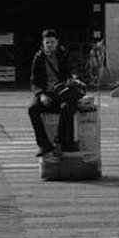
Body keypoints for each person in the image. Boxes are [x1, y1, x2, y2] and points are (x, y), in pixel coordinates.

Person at [28, 28, 82, 157]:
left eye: (52, 42)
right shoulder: (39, 57)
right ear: (43, 43)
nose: (49, 45)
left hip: (62, 91)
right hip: (46, 93)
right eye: (47, 42)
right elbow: (33, 81)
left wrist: (73, 78)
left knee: (68, 107)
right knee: (32, 109)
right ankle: (44, 144)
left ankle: (61, 142)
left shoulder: (64, 54)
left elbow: (73, 69)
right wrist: (41, 95)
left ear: (57, 42)